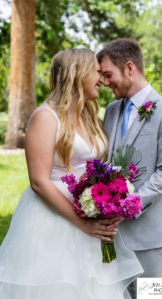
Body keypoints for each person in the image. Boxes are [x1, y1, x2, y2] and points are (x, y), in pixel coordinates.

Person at [0, 48, 143, 299]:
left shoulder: (89, 117)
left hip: (89, 216)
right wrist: (82, 224)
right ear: (78, 74)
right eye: (96, 73)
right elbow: (39, 182)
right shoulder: (45, 117)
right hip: (52, 219)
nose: (101, 79)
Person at [97, 38, 162, 298]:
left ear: (130, 68)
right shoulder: (111, 110)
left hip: (147, 236)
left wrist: (128, 206)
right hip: (110, 236)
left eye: (107, 74)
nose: (103, 81)